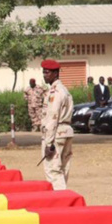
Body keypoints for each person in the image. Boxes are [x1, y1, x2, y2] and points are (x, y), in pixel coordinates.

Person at [39, 60, 74, 190]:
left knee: (53, 170)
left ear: (55, 73)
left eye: (47, 72)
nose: (44, 75)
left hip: (56, 133)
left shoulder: (55, 93)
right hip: (66, 131)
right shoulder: (64, 90)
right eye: (43, 72)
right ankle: (64, 197)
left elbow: (52, 118)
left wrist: (48, 143)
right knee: (62, 169)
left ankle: (61, 201)